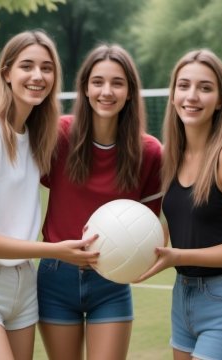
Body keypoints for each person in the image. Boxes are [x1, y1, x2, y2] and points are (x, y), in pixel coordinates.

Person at [0, 30, 99, 360]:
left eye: (47, 67)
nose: (37, 76)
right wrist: (53, 250)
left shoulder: (37, 137)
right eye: (26, 66)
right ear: (6, 74)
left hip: (24, 288)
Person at [37, 44, 162, 360]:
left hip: (112, 282)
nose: (107, 91)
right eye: (98, 82)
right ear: (84, 88)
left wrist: (138, 260)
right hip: (55, 276)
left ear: (130, 92)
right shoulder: (59, 134)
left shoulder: (149, 152)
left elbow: (151, 230)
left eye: (117, 83)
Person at [136, 49, 222, 360]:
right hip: (183, 299)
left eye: (205, 88)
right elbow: (172, 226)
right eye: (183, 86)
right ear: (173, 94)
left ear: (220, 99)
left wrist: (178, 255)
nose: (191, 96)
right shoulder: (171, 157)